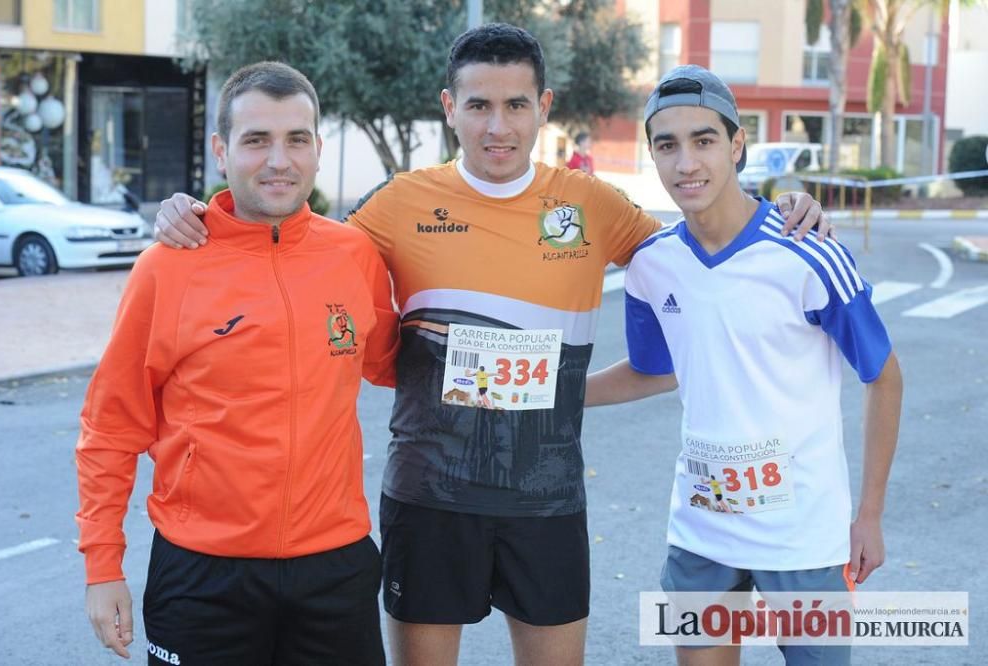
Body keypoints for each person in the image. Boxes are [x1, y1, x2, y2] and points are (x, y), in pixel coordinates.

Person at [153, 25, 831, 666]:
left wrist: (782, 210)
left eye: (515, 105)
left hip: (547, 501)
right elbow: (295, 249)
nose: (497, 126)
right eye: (478, 104)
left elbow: (710, 253)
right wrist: (199, 214)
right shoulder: (398, 205)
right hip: (429, 499)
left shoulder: (593, 205)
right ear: (450, 107)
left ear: (545, 107)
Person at [75, 61, 398, 665]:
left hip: (336, 567)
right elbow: (111, 428)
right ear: (222, 150)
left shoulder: (353, 254)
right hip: (203, 576)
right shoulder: (168, 266)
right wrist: (102, 566)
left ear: (318, 149)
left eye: (296, 139)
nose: (279, 160)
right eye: (257, 140)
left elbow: (391, 364)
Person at [585, 64, 903, 665]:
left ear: (736, 145)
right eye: (667, 145)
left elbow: (883, 377)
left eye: (704, 141)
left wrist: (869, 515)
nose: (687, 163)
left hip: (804, 538)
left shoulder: (807, 252)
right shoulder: (652, 265)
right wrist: (554, 389)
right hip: (701, 532)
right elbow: (658, 369)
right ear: (651, 154)